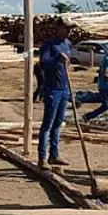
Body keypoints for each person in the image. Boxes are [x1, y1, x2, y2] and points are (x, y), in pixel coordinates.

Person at [36, 18, 72, 169]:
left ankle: (54, 154)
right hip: (52, 89)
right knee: (48, 124)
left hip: (64, 88)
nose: (69, 31)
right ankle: (42, 157)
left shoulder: (68, 43)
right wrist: (57, 57)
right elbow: (43, 64)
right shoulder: (49, 45)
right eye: (66, 28)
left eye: (70, 28)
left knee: (58, 123)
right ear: (58, 28)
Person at [83, 44, 108, 126]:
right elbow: (104, 74)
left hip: (104, 86)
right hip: (107, 87)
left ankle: (88, 116)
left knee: (105, 106)